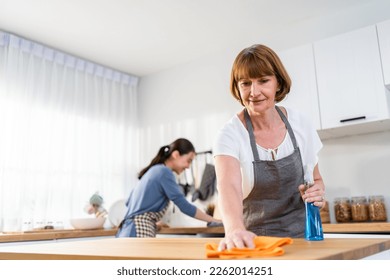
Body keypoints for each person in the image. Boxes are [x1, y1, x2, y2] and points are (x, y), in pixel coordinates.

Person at [213, 44, 325, 250]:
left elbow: (316, 179)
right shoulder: (230, 134)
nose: (254, 92)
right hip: (256, 244)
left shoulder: (301, 124)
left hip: (304, 239)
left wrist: (317, 192)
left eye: (263, 81)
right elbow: (229, 187)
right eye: (245, 83)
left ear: (278, 83)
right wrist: (234, 229)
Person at [116, 138, 221, 238]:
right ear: (176, 154)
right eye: (188, 160)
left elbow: (129, 203)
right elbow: (183, 205)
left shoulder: (152, 171)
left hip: (126, 230)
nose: (188, 166)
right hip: (138, 230)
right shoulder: (164, 172)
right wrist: (213, 220)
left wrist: (152, 222)